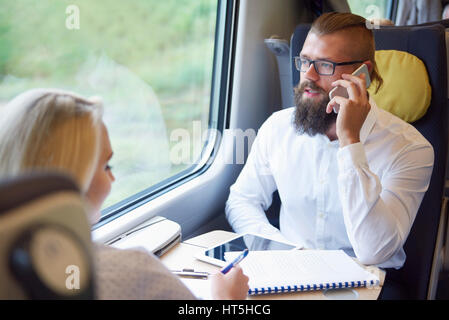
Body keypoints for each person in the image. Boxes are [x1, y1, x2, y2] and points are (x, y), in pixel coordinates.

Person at [225, 12, 434, 272]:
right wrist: (280, 252)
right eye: (304, 61)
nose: (308, 76)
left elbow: (374, 251)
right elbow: (241, 200)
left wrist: (351, 142)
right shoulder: (277, 128)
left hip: (366, 281)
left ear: (362, 74)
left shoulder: (410, 148)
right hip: (288, 273)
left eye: (325, 65)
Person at [0, 88, 249, 300]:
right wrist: (228, 299)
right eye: (107, 166)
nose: (113, 179)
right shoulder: (134, 273)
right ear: (75, 179)